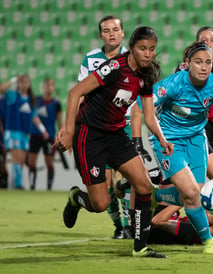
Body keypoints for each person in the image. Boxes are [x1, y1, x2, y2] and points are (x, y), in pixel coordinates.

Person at [56, 26, 174, 258]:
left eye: (151, 49)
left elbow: (149, 116)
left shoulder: (146, 75)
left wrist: (162, 139)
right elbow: (75, 93)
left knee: (143, 186)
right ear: (131, 48)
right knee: (99, 204)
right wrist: (69, 131)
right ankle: (76, 198)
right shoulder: (114, 67)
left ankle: (140, 247)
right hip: (89, 135)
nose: (148, 54)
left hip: (116, 135)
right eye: (142, 49)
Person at [146, 41, 213, 254]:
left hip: (196, 140)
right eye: (198, 62)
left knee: (196, 193)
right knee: (192, 193)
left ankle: (155, 195)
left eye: (208, 62)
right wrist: (137, 138)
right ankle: (208, 242)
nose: (204, 67)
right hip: (168, 141)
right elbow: (143, 106)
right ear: (187, 63)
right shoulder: (173, 84)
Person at [77, 15, 132, 239]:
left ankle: (130, 224)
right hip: (97, 126)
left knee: (128, 178)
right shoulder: (91, 59)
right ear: (101, 35)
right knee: (107, 180)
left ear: (122, 33)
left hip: (124, 125)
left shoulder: (131, 59)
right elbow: (80, 93)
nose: (111, 33)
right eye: (106, 30)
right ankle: (119, 226)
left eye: (115, 29)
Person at [0, 75, 48, 189]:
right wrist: (14, 79)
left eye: (26, 81)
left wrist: (43, 130)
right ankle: (18, 184)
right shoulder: (13, 96)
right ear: (18, 83)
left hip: (25, 133)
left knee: (21, 160)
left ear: (29, 84)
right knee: (16, 157)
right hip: (12, 131)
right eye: (21, 82)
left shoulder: (31, 100)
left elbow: (34, 116)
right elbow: (2, 89)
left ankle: (17, 182)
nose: (24, 84)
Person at [27, 78, 62, 190]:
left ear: (53, 87)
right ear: (43, 86)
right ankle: (32, 186)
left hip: (50, 137)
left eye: (51, 85)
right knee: (31, 162)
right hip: (35, 134)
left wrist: (60, 137)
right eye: (46, 85)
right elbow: (33, 116)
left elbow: (59, 122)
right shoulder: (36, 100)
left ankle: (49, 188)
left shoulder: (56, 103)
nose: (48, 87)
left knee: (49, 163)